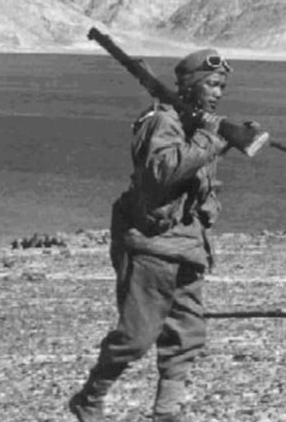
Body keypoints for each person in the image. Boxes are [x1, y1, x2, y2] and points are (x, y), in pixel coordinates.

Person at [70, 49, 238, 422]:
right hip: (151, 247)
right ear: (192, 84)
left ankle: (166, 413)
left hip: (188, 246)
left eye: (221, 86)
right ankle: (89, 398)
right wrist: (212, 141)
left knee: (187, 335)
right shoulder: (161, 122)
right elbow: (161, 173)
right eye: (211, 84)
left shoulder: (199, 125)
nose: (218, 93)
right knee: (135, 337)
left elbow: (199, 185)